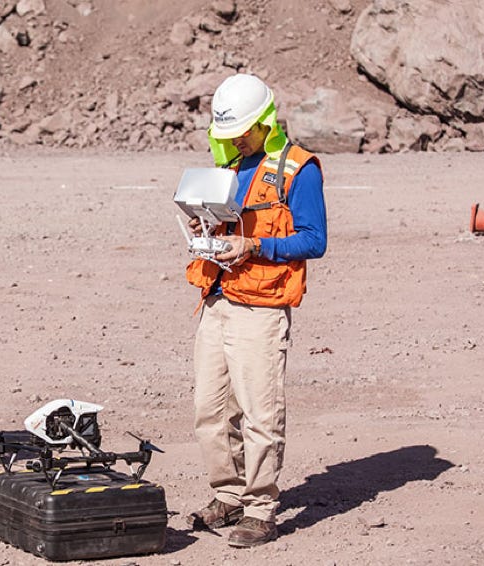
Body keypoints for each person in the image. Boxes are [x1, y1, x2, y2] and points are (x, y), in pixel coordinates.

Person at [183, 74, 327, 547]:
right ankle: (228, 494)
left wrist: (255, 244)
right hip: (218, 299)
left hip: (261, 307)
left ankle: (260, 508)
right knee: (210, 411)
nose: (235, 140)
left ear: (264, 122)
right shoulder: (233, 166)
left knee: (259, 412)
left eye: (241, 132)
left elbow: (314, 239)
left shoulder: (299, 169)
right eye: (228, 134)